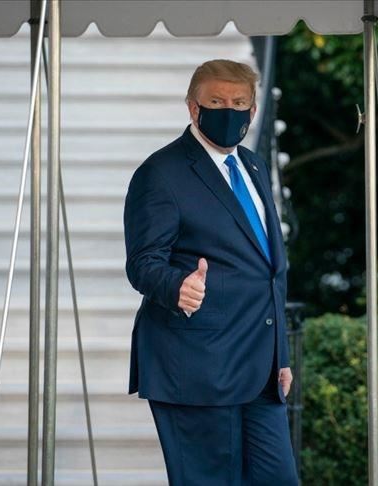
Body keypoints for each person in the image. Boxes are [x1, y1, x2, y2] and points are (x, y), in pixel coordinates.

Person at [123, 59, 298, 485]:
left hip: (259, 369)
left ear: (253, 110)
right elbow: (143, 262)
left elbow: (268, 270)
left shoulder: (254, 166)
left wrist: (280, 355)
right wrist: (177, 286)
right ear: (193, 107)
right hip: (196, 367)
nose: (229, 110)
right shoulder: (160, 173)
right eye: (217, 102)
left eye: (239, 102)